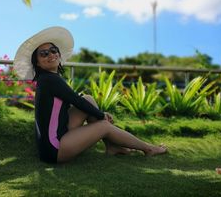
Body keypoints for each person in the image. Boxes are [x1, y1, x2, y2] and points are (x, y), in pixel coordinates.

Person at [14, 26, 167, 164]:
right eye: (44, 54)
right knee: (103, 125)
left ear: (59, 54)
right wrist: (101, 115)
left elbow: (79, 101)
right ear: (38, 63)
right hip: (55, 148)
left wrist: (99, 114)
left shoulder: (49, 78)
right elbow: (75, 100)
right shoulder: (49, 79)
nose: (50, 55)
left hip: (58, 135)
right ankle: (148, 148)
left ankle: (112, 146)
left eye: (53, 50)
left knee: (88, 99)